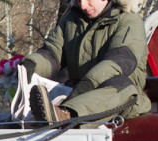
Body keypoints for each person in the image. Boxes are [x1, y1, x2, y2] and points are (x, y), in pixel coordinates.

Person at [19, 0, 151, 123]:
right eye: (78, 0)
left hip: (121, 97)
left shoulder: (129, 21)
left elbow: (120, 60)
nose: (83, 5)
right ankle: (39, 118)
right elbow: (52, 54)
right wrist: (30, 65)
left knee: (122, 84)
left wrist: (88, 83)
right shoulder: (71, 20)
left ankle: (66, 115)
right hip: (76, 92)